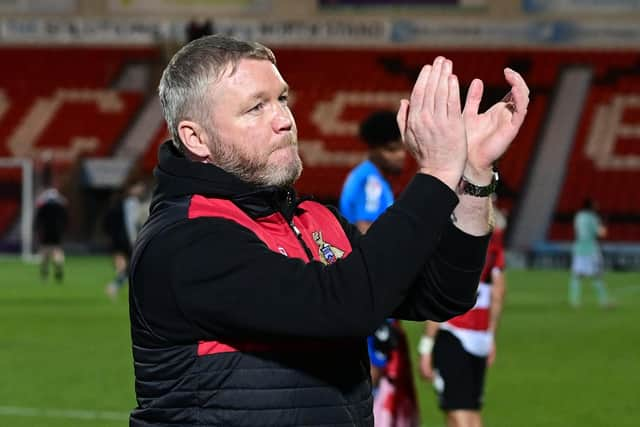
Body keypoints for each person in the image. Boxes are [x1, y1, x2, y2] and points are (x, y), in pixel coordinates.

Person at [128, 34, 529, 426]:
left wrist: (473, 175)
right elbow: (344, 306)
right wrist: (439, 172)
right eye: (255, 108)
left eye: (282, 99)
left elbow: (442, 294)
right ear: (196, 138)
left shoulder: (314, 220)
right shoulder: (184, 239)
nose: (284, 120)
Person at [339, 110, 419, 426]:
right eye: (393, 149)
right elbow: (368, 236)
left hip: (369, 296)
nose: (401, 156)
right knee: (369, 380)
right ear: (375, 149)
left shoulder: (366, 178)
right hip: (372, 297)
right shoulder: (371, 182)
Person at [419, 206, 507, 427]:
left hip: (455, 334)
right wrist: (491, 335)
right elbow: (498, 291)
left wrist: (426, 346)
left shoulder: (450, 237)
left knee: (456, 413)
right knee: (472, 413)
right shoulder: (492, 241)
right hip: (481, 337)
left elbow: (440, 296)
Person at [103, 181, 147, 300]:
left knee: (132, 268)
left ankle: (116, 286)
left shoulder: (122, 203)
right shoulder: (131, 203)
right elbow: (131, 224)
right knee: (135, 268)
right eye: (139, 187)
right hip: (129, 240)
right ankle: (114, 286)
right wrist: (134, 240)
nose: (141, 190)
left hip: (123, 240)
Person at [569, 199, 612, 308]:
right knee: (597, 275)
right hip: (591, 249)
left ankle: (575, 301)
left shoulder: (579, 216)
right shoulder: (593, 218)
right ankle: (604, 302)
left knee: (577, 275)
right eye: (595, 205)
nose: (597, 207)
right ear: (590, 206)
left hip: (578, 247)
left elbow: (578, 230)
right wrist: (604, 224)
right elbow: (601, 234)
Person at [34, 184, 68, 283]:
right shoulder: (61, 207)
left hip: (45, 233)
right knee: (57, 251)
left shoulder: (43, 207)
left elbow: (38, 221)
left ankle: (44, 271)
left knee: (45, 252)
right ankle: (58, 266)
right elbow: (65, 221)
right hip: (57, 232)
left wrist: (36, 230)